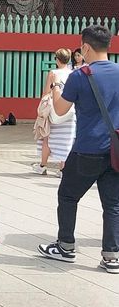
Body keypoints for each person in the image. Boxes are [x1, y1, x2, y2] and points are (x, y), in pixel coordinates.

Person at [38, 25, 119, 273]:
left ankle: (65, 246)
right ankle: (112, 256)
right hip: (115, 151)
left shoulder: (80, 75)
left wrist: (56, 88)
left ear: (85, 47)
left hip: (87, 148)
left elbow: (60, 109)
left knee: (68, 195)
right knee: (113, 204)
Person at [32, 48, 76, 176]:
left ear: (57, 59)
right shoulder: (74, 74)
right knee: (66, 140)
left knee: (47, 137)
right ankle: (62, 169)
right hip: (70, 109)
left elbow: (46, 92)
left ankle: (43, 165)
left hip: (54, 109)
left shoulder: (53, 73)